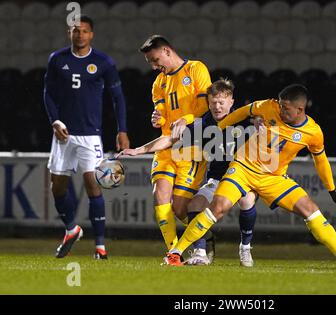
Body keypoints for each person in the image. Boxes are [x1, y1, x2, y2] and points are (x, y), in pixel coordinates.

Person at [162, 84, 336, 268]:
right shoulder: (269, 106)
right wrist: (221, 126)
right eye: (281, 105)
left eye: (286, 108)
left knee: (310, 210)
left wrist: (332, 189)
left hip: (273, 177)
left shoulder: (313, 132)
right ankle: (176, 253)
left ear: (300, 109)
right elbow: (245, 110)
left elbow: (320, 160)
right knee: (218, 207)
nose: (281, 110)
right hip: (243, 169)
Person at [120, 79, 258, 267]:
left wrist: (263, 124)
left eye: (221, 102)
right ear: (208, 103)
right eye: (213, 102)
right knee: (195, 204)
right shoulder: (203, 123)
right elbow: (169, 139)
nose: (217, 107)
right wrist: (139, 150)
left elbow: (271, 123)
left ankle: (245, 247)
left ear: (231, 102)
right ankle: (200, 252)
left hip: (243, 178)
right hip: (217, 179)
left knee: (247, 200)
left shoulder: (244, 120)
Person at [43, 15, 130, 259]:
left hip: (91, 135)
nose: (79, 34)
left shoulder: (103, 62)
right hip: (63, 134)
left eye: (84, 31)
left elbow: (118, 98)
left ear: (91, 34)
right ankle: (72, 229)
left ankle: (100, 247)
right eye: (75, 31)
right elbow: (47, 94)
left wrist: (122, 129)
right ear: (68, 33)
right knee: (57, 186)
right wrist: (55, 120)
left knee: (93, 184)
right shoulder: (57, 60)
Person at [139, 35, 214, 255]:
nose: (154, 66)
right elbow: (163, 117)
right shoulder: (158, 83)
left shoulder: (196, 69)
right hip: (166, 147)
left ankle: (205, 236)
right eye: (151, 63)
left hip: (192, 148)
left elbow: (206, 108)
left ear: (167, 51)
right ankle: (173, 252)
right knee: (160, 194)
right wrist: (157, 119)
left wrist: (186, 119)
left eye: (155, 60)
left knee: (180, 209)